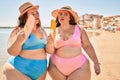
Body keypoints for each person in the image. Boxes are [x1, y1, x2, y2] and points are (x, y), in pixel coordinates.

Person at [46, 6, 101, 80]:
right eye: (60, 14)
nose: (62, 16)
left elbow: (87, 46)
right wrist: (49, 43)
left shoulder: (79, 28)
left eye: (65, 14)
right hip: (56, 66)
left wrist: (96, 62)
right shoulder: (53, 31)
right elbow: (50, 51)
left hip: (79, 66)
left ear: (70, 17)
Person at [2, 2, 47, 80]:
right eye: (32, 14)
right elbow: (12, 52)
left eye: (37, 13)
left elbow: (48, 50)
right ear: (25, 17)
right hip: (19, 69)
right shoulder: (18, 31)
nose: (36, 15)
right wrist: (18, 41)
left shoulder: (42, 30)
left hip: (41, 71)